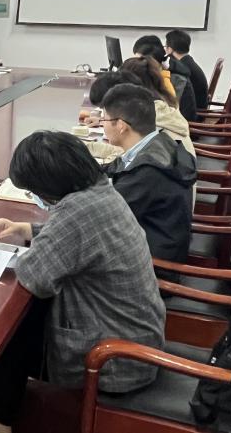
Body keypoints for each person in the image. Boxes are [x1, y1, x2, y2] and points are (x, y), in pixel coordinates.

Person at [0, 131, 164, 433]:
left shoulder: (78, 212)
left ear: (50, 187)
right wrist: (26, 229)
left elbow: (33, 275)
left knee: (11, 328)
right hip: (134, 336)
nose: (35, 198)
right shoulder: (100, 191)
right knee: (24, 316)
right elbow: (76, 240)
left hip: (116, 360)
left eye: (33, 192)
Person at [100, 85, 196, 263]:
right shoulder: (160, 141)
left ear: (121, 125)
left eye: (104, 119)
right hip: (154, 242)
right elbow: (118, 166)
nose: (101, 124)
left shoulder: (147, 172)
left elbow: (102, 217)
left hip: (151, 264)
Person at [84, 71, 195, 161]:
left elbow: (123, 162)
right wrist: (82, 148)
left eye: (105, 110)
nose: (104, 117)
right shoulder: (153, 112)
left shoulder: (152, 127)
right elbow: (121, 152)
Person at [133, 35, 196, 121]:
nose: (136, 65)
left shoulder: (177, 80)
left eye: (140, 61)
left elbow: (172, 113)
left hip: (175, 124)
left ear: (154, 62)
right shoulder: (146, 74)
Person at [165, 29, 209, 109]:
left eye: (166, 47)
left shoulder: (182, 68)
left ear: (170, 49)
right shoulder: (188, 62)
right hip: (196, 107)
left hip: (193, 111)